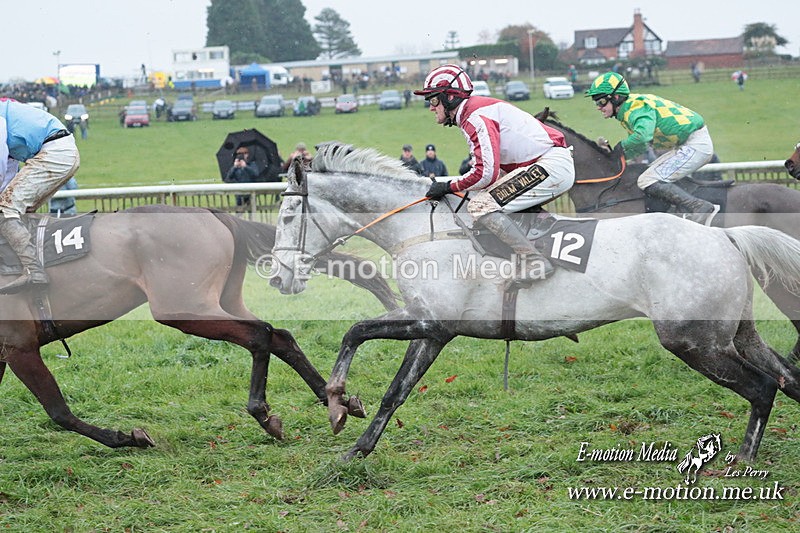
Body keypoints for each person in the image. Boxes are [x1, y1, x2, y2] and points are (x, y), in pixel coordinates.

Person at [414, 64, 575, 282]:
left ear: (449, 97)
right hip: (547, 164)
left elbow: (485, 174)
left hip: (549, 165)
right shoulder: (473, 112)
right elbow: (491, 173)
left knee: (480, 206)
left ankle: (534, 260)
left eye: (433, 100)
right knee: (484, 197)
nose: (431, 108)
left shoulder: (474, 117)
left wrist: (448, 186)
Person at [585, 71, 716, 224]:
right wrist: (618, 157)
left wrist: (621, 147)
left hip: (695, 145)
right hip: (686, 144)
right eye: (596, 103)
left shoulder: (636, 107)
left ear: (616, 97)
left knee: (647, 180)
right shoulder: (629, 109)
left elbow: (642, 137)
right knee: (647, 175)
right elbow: (641, 146)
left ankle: (698, 207)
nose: (598, 107)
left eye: (601, 102)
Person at [0, 97, 80, 293]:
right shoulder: (5, 113)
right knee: (18, 209)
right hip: (60, 150)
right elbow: (9, 170)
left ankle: (33, 270)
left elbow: (0, 166)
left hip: (54, 152)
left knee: (6, 209)